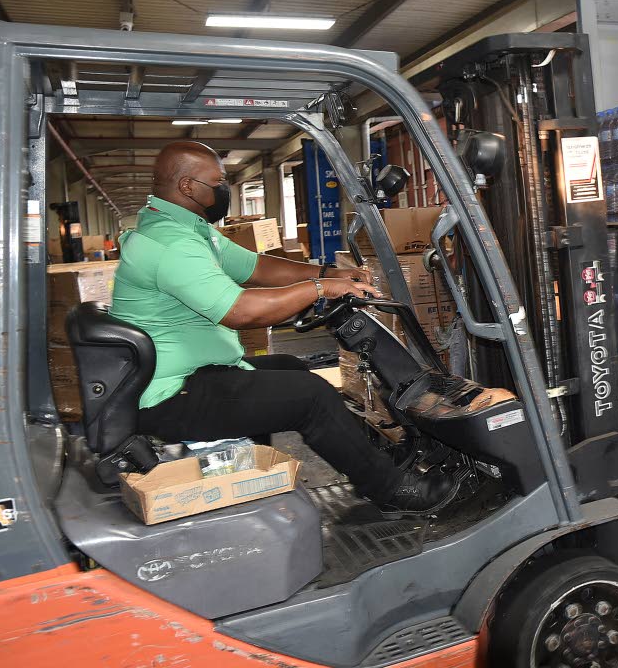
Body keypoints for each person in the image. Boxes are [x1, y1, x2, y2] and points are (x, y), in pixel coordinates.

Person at [109, 141, 457, 512]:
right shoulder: (172, 243)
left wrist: (330, 273)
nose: (223, 190)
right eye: (218, 183)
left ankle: (374, 462)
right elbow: (240, 311)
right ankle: (393, 491)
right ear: (188, 187)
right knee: (309, 397)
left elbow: (258, 268)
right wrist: (320, 288)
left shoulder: (185, 230)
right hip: (169, 396)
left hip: (183, 376)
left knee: (290, 369)